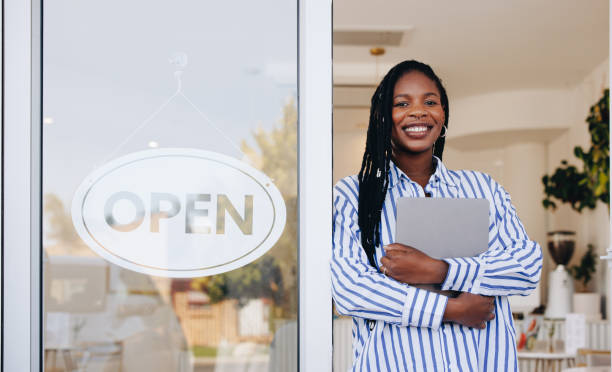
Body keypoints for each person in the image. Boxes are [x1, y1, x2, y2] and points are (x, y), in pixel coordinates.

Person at [331, 60, 542, 371]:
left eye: (430, 102)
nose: (418, 111)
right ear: (382, 118)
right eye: (402, 103)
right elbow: (352, 290)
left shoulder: (483, 188)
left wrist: (438, 270)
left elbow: (525, 266)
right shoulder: (354, 195)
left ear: (443, 115)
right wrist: (451, 309)